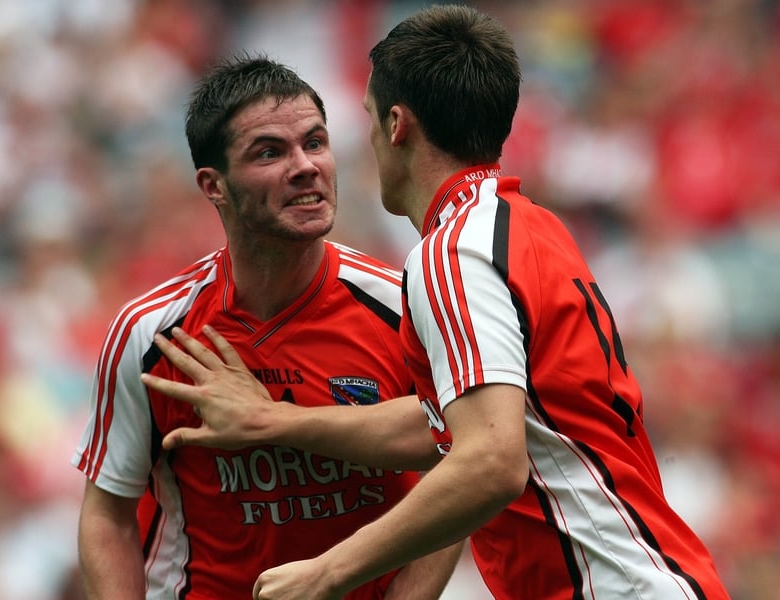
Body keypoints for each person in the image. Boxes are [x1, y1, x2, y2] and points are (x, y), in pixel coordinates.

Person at [141, 6, 731, 600]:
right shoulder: (527, 226)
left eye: (367, 120)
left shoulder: (449, 254)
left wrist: (327, 572)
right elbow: (465, 422)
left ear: (397, 125)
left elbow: (491, 462)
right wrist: (279, 422)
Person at [71, 53, 463, 600]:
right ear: (214, 186)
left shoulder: (405, 307)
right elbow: (108, 516)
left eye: (316, 143)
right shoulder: (150, 333)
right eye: (270, 152)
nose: (305, 166)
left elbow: (459, 475)